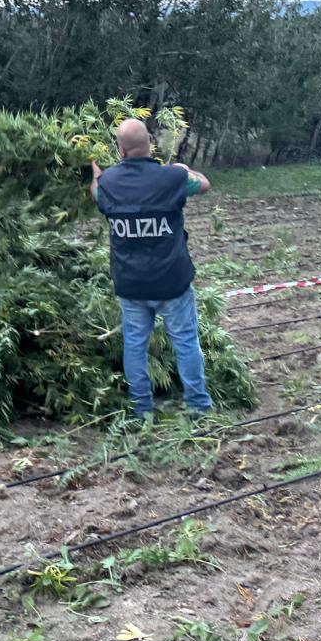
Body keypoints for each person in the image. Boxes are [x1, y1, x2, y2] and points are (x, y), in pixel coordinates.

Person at [91, 118, 213, 419]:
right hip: (172, 283)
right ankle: (198, 406)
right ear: (150, 143)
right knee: (185, 343)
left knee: (134, 346)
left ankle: (140, 409)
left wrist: (95, 175)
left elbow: (97, 193)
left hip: (131, 285)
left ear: (120, 149)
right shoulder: (170, 178)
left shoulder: (108, 184)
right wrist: (185, 169)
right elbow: (205, 184)